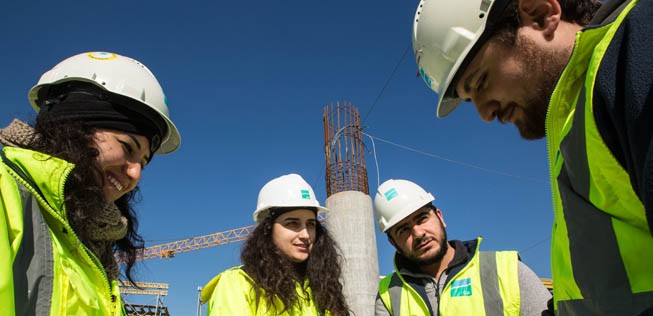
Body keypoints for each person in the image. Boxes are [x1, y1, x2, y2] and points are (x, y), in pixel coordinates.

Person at [411, 0, 653, 313]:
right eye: (472, 100)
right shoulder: (572, 121)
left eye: (481, 81)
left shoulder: (635, 53)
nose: (485, 114)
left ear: (540, 14)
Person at [0, 52, 181, 315]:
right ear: (74, 126)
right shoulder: (7, 192)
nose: (135, 173)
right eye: (127, 147)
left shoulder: (96, 251)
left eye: (143, 162)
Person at [374, 179, 551, 316]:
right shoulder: (389, 294)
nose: (419, 233)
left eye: (422, 219)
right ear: (393, 243)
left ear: (440, 217)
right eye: (404, 230)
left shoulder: (506, 270)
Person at [201, 174, 350, 315]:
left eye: (311, 224)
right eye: (292, 223)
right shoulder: (236, 285)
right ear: (268, 228)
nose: (305, 234)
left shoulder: (322, 288)